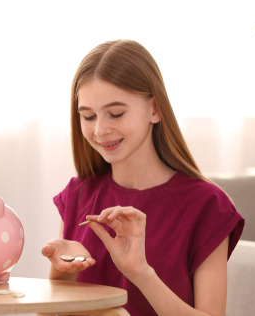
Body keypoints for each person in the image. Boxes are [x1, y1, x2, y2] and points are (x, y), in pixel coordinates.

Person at [40, 39, 244, 316]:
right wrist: (63, 266)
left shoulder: (207, 205)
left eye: (115, 113)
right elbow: (56, 308)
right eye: (88, 117)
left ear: (155, 109)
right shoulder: (79, 194)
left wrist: (141, 272)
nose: (100, 130)